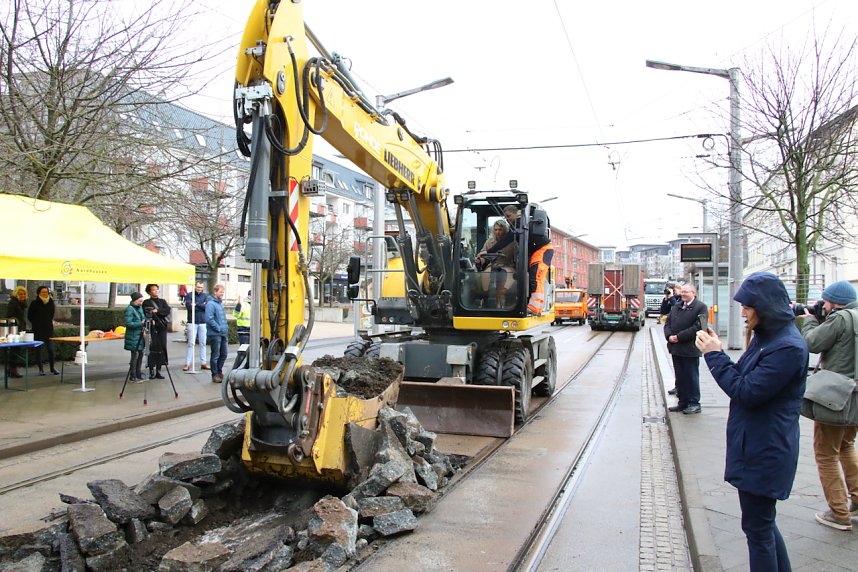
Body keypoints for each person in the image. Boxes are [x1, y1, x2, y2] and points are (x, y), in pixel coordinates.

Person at [695, 272, 807, 571]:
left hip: (766, 450)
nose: (743, 312)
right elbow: (744, 378)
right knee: (762, 526)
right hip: (756, 445)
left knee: (758, 530)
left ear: (765, 306)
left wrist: (714, 355)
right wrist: (719, 353)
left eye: (748, 306)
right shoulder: (767, 339)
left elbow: (746, 392)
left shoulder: (786, 348)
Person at [799, 280, 858, 531]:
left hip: (837, 396)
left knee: (826, 454)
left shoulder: (841, 318)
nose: (822, 306)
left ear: (835, 302)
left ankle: (839, 513)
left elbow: (812, 343)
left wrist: (810, 318)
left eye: (824, 302)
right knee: (846, 445)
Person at [664, 282, 708, 414]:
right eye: (682, 292)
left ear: (693, 293)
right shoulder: (677, 306)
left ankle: (694, 403)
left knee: (691, 377)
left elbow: (701, 327)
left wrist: (679, 337)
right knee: (680, 377)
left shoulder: (701, 307)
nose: (683, 294)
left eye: (686, 292)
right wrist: (669, 336)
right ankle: (682, 402)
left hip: (690, 349)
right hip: (676, 349)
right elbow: (667, 323)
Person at [475, 220, 518, 308]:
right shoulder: (489, 242)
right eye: (496, 230)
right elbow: (483, 254)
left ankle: (500, 302)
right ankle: (485, 299)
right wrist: (480, 260)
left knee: (504, 278)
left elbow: (517, 256)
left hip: (507, 266)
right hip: (492, 266)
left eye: (500, 230)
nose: (497, 232)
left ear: (505, 230)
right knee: (483, 277)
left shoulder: (512, 243)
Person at [27, 286, 59, 376]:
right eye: (43, 292)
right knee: (38, 350)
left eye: (46, 292)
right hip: (38, 329)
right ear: (39, 293)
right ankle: (41, 369)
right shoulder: (34, 303)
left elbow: (51, 314)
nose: (45, 294)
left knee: (51, 349)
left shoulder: (51, 302)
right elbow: (30, 316)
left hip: (48, 329)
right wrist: (36, 323)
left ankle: (52, 368)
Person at [141, 283, 170, 379]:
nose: (155, 291)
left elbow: (167, 310)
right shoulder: (146, 302)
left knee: (162, 347)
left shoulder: (162, 301)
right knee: (151, 348)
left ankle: (159, 369)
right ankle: (151, 370)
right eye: (153, 290)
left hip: (161, 328)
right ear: (149, 292)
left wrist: (157, 311)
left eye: (157, 289)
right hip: (152, 328)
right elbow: (146, 313)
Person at [183, 282, 209, 372]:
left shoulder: (205, 296)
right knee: (191, 343)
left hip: (202, 322)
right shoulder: (189, 295)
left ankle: (203, 363)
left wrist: (196, 304)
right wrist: (201, 305)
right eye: (198, 287)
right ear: (195, 286)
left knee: (203, 343)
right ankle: (187, 363)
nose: (199, 289)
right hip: (192, 321)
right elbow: (189, 307)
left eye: (201, 287)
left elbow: (207, 307)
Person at [206, 284, 228, 384]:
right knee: (215, 355)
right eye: (220, 292)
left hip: (223, 333)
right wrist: (218, 328)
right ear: (215, 292)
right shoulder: (211, 304)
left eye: (223, 292)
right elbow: (209, 318)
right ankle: (214, 374)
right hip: (215, 334)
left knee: (224, 354)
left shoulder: (220, 304)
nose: (222, 294)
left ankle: (219, 372)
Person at [5, 286, 28, 378]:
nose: (22, 295)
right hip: (14, 329)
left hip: (20, 328)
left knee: (17, 349)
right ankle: (12, 369)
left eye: (24, 294)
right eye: (20, 294)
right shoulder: (13, 303)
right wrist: (15, 323)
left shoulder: (22, 303)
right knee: (14, 350)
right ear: (16, 294)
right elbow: (9, 315)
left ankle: (11, 369)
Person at [124, 292, 146, 382]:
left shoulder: (139, 308)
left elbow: (143, 318)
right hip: (133, 336)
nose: (141, 303)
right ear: (135, 300)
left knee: (140, 354)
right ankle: (133, 375)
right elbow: (128, 323)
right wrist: (140, 323)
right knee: (135, 356)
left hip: (140, 335)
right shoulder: (130, 309)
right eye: (140, 301)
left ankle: (138, 373)